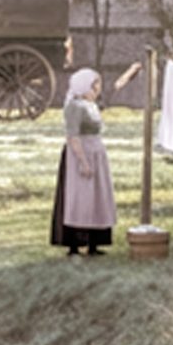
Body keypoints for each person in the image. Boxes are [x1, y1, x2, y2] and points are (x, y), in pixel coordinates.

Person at [52, 68, 115, 256]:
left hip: (96, 153)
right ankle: (74, 244)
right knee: (80, 199)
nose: (97, 90)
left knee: (96, 198)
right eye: (94, 85)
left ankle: (94, 242)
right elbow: (73, 136)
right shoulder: (75, 106)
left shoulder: (91, 106)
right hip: (80, 154)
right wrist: (83, 161)